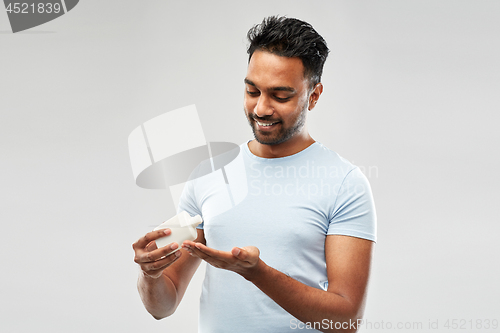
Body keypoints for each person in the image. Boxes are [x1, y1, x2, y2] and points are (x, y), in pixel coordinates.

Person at [132, 16, 376, 333]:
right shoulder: (208, 174)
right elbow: (163, 306)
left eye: (280, 95)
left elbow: (345, 320)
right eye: (252, 91)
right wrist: (150, 274)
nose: (261, 108)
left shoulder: (345, 184)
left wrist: (257, 272)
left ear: (313, 96)